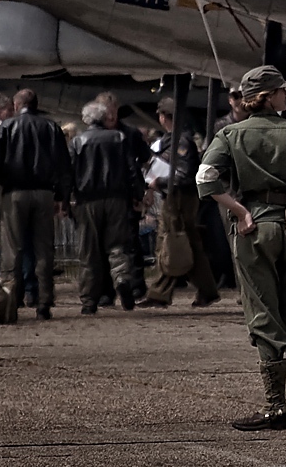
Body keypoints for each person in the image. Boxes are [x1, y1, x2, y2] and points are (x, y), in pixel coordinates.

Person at [198, 66, 286, 431]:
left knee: (263, 311)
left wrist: (240, 211)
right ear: (269, 96)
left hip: (253, 227)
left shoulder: (230, 134)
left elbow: (206, 178)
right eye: (281, 92)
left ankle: (274, 405)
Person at [0, 89, 71, 320]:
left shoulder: (6, 128)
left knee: (13, 248)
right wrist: (61, 196)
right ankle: (44, 301)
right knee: (44, 248)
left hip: (14, 193)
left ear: (16, 104)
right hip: (44, 192)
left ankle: (11, 299)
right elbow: (63, 165)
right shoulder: (51, 127)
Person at [139, 97, 221, 309]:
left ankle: (159, 293)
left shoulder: (180, 141)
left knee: (172, 242)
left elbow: (185, 175)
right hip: (177, 197)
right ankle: (207, 290)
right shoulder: (173, 139)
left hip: (180, 199)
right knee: (186, 244)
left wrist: (160, 181)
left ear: (163, 117)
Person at [71, 101, 144, 313]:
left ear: (87, 119)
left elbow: (70, 172)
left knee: (89, 250)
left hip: (88, 201)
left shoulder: (78, 141)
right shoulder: (119, 138)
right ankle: (121, 278)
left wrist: (65, 199)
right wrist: (137, 194)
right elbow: (133, 169)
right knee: (118, 245)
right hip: (117, 199)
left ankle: (88, 301)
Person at [94, 93, 152, 303]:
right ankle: (106, 291)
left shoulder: (130, 134)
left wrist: (141, 191)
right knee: (102, 246)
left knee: (130, 243)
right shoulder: (92, 136)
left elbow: (145, 159)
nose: (110, 115)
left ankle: (136, 286)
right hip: (101, 195)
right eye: (106, 111)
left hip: (126, 194)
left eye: (113, 110)